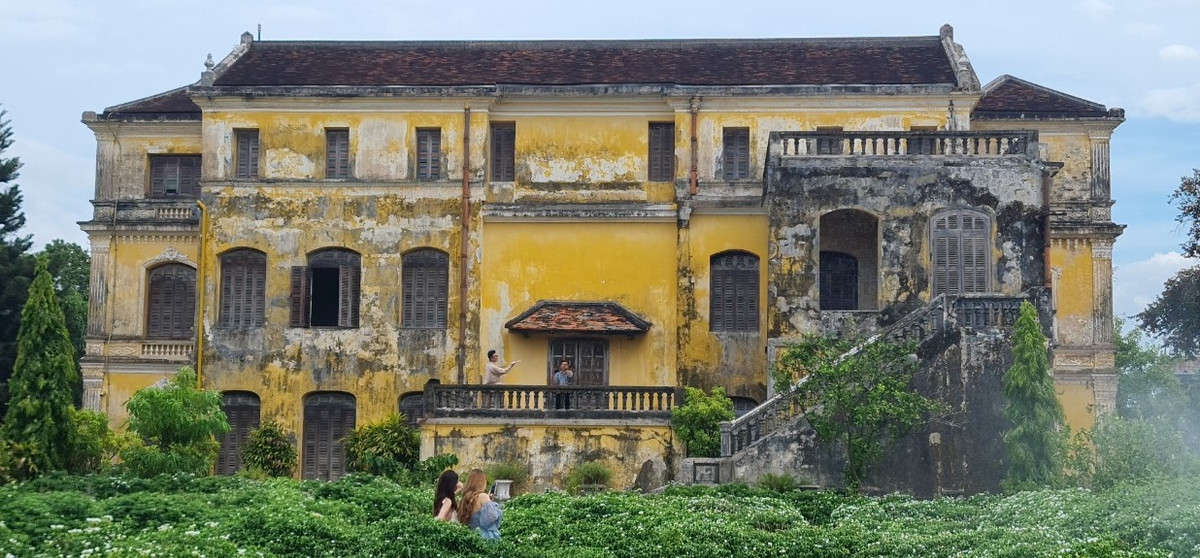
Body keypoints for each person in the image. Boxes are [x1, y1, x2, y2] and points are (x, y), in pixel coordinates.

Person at [459, 468, 502, 540]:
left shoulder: (465, 498)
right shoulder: (483, 496)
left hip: (471, 535)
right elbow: (492, 517)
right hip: (485, 536)